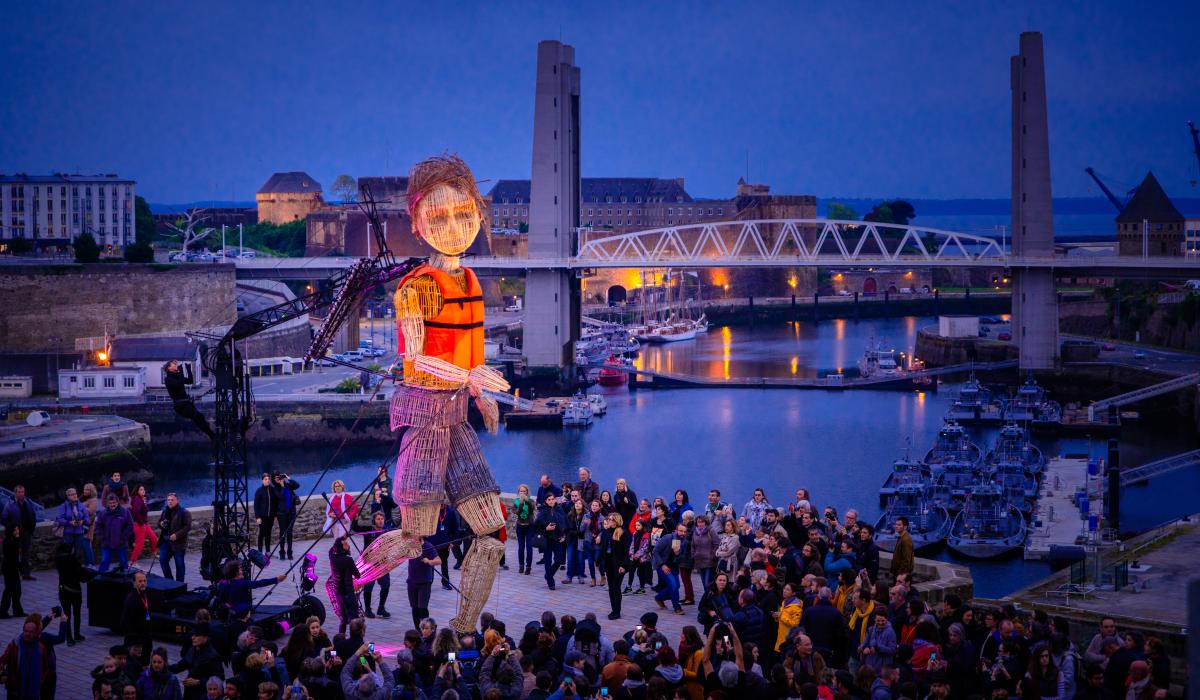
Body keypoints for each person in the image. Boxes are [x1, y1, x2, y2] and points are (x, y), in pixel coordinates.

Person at [2, 616, 59, 699]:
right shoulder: (15, 645)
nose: (27, 634)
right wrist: (4, 675)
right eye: (26, 631)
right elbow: (3, 660)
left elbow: (45, 668)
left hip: (33, 691)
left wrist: (40, 681)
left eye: (31, 632)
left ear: (36, 633)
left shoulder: (41, 648)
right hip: (15, 690)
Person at [164, 360, 216, 439]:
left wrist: (188, 369)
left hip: (186, 403)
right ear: (169, 368)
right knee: (198, 416)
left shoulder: (177, 376)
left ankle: (211, 435)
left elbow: (190, 381)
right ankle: (211, 435)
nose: (176, 364)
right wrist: (181, 371)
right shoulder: (168, 379)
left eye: (175, 363)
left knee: (199, 417)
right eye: (173, 364)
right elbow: (178, 384)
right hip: (180, 406)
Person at [355, 512, 393, 618]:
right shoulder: (369, 530)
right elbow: (355, 528)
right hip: (370, 564)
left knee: (386, 585)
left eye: (382, 519)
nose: (380, 521)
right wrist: (355, 519)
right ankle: (367, 609)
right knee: (368, 587)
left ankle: (381, 608)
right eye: (378, 519)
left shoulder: (386, 531)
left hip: (382, 563)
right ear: (374, 521)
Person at [53, 540, 86, 644]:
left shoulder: (58, 559)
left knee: (67, 614)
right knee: (77, 613)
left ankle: (69, 637)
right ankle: (77, 634)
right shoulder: (72, 559)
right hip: (75, 589)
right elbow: (80, 573)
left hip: (63, 589)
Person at [1, 485, 37, 580]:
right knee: (14, 554)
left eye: (23, 492)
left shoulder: (28, 502)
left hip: (27, 532)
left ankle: (26, 574)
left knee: (26, 554)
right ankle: (15, 574)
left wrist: (32, 528)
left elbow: (33, 515)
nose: (21, 494)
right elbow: (4, 519)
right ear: (15, 493)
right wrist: (12, 528)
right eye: (19, 492)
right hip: (15, 534)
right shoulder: (9, 504)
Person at [405, 536, 441, 630]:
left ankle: (427, 630)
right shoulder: (410, 545)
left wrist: (429, 561)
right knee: (414, 608)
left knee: (422, 608)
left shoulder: (428, 546)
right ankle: (418, 630)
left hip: (424, 583)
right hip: (411, 582)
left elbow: (438, 561)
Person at [327, 535, 360, 635]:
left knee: (343, 619)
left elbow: (331, 550)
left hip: (338, 593)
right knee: (354, 619)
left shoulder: (332, 557)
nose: (348, 545)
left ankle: (341, 637)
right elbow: (357, 574)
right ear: (341, 546)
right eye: (345, 544)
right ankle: (355, 639)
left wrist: (340, 540)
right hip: (348, 593)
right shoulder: (348, 560)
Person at [653, 523, 688, 615]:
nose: (683, 533)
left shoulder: (684, 542)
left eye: (685, 531)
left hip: (673, 567)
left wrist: (677, 554)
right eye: (681, 531)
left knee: (676, 586)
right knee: (673, 585)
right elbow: (655, 551)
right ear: (676, 530)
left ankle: (659, 598)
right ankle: (677, 607)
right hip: (663, 565)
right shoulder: (668, 538)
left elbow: (683, 558)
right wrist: (662, 565)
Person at [535, 492, 567, 590]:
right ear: (545, 501)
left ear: (555, 500)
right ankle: (550, 581)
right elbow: (536, 527)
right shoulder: (542, 512)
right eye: (549, 499)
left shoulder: (559, 509)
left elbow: (565, 524)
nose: (551, 501)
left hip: (557, 539)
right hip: (547, 539)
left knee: (558, 560)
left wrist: (564, 535)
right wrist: (546, 528)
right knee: (547, 560)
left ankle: (548, 575)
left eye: (553, 499)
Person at [96, 493, 135, 573]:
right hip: (106, 543)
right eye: (110, 503)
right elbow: (98, 526)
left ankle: (125, 577)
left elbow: (130, 525)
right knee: (104, 561)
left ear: (117, 502)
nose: (112, 505)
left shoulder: (125, 512)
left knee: (123, 562)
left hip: (121, 543)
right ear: (107, 503)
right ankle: (101, 577)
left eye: (114, 502)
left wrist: (123, 537)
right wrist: (102, 537)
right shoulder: (103, 513)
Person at [158, 493, 192, 582]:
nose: (170, 502)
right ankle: (170, 581)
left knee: (179, 564)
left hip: (178, 543)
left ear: (177, 501)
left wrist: (177, 535)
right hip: (165, 541)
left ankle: (180, 584)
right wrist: (161, 524)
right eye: (168, 500)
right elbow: (159, 523)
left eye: (172, 500)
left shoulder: (184, 512)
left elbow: (188, 527)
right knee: (162, 560)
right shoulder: (165, 511)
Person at [601, 513, 629, 619]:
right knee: (611, 588)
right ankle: (613, 609)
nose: (609, 521)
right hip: (609, 564)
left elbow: (627, 551)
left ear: (617, 521)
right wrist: (599, 562)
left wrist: (624, 565)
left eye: (612, 519)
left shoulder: (623, 533)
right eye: (609, 519)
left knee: (616, 588)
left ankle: (617, 611)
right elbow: (604, 548)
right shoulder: (607, 532)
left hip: (618, 565)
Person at [121, 571, 154, 662]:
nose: (143, 583)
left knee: (146, 662)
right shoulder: (131, 599)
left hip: (146, 636)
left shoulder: (146, 594)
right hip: (136, 640)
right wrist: (135, 642)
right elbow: (126, 621)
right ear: (134, 583)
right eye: (140, 581)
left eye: (144, 581)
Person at [56, 487, 93, 562]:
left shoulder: (81, 505)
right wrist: (69, 522)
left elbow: (87, 518)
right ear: (68, 496)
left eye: (75, 494)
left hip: (79, 532)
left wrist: (83, 521)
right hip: (68, 533)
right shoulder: (63, 506)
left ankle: (76, 566)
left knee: (78, 553)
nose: (75, 496)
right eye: (72, 494)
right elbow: (59, 519)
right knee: (67, 552)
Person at [271, 472, 299, 560]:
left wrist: (288, 478)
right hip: (281, 513)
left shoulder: (288, 485)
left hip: (291, 512)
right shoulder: (274, 489)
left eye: (279, 477)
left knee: (289, 532)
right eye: (276, 477)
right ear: (273, 479)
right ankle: (282, 552)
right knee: (283, 532)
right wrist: (282, 486)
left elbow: (297, 485)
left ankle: (290, 552)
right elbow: (280, 496)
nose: (278, 479)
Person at [129, 485, 159, 563]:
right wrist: (141, 523)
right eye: (141, 489)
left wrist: (144, 503)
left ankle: (155, 553)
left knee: (153, 538)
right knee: (140, 544)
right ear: (137, 491)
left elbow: (141, 511)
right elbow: (136, 512)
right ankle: (132, 562)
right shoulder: (137, 499)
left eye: (144, 489)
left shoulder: (140, 499)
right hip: (139, 524)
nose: (143, 491)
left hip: (144, 524)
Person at [512, 484, 536, 576]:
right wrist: (521, 504)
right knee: (521, 548)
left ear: (527, 492)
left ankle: (528, 567)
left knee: (529, 547)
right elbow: (517, 512)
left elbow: (532, 509)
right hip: (520, 526)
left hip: (529, 526)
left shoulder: (531, 501)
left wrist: (527, 501)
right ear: (518, 492)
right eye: (521, 491)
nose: (522, 493)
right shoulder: (516, 502)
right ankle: (521, 565)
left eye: (524, 491)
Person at [1, 525, 25, 617]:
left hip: (13, 568)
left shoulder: (13, 540)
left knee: (16, 591)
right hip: (9, 569)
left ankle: (17, 611)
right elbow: (13, 555)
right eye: (15, 530)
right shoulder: (8, 541)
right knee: (9, 590)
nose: (17, 531)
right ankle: (3, 612)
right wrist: (17, 539)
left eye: (17, 529)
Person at [253, 474, 277, 554]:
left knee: (268, 534)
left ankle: (268, 551)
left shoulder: (272, 490)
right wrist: (257, 517)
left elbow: (275, 503)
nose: (267, 480)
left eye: (268, 479)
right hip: (262, 516)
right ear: (262, 480)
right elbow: (256, 505)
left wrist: (275, 515)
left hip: (271, 516)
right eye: (266, 479)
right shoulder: (259, 491)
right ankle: (260, 551)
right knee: (262, 534)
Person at [889, 517, 913, 582]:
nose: (896, 526)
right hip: (898, 573)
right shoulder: (902, 537)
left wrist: (900, 574)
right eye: (896, 524)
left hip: (900, 575)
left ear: (905, 527)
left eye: (899, 525)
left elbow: (906, 560)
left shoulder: (906, 540)